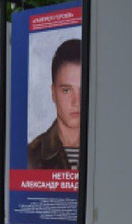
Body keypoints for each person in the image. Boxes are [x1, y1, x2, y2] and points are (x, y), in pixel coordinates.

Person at [27, 39, 81, 170]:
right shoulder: (32, 156)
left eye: (83, 90)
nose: (76, 102)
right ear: (53, 93)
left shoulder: (109, 149)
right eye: (67, 90)